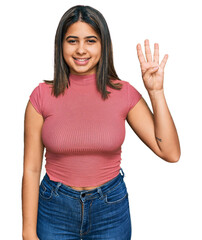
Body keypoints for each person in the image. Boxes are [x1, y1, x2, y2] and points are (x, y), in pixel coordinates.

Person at [21, 5, 181, 240]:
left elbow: (170, 152)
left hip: (110, 210)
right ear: (61, 45)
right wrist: (27, 232)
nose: (81, 50)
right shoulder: (41, 96)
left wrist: (155, 91)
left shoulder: (123, 93)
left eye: (91, 41)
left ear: (103, 45)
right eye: (72, 41)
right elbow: (31, 169)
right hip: (54, 209)